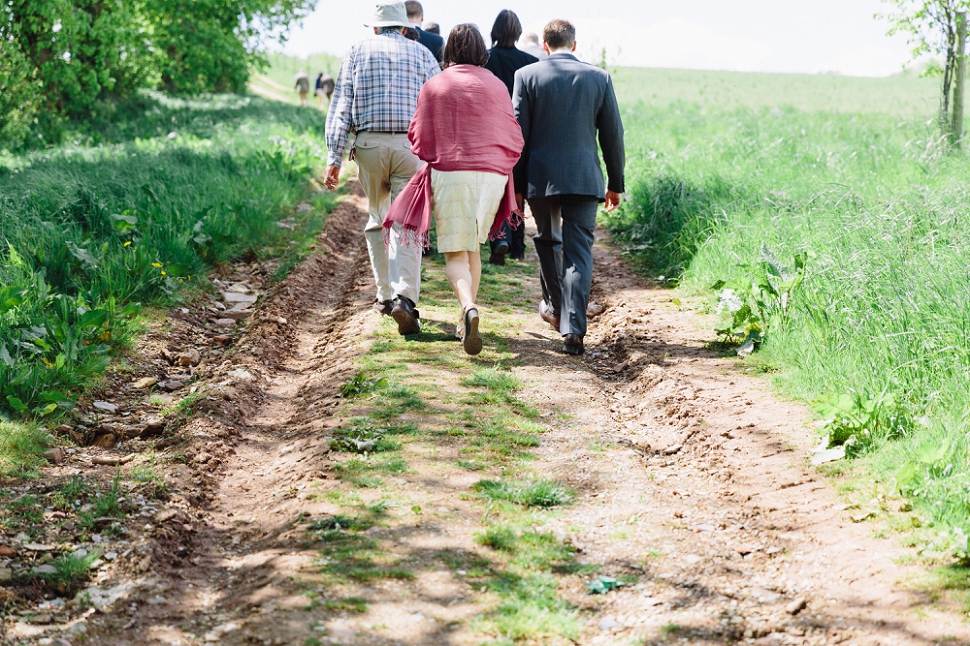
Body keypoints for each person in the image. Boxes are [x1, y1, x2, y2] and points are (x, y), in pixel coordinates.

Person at [383, 24, 523, 356]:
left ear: (448, 51)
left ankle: (469, 307)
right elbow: (514, 133)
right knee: (472, 246)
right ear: (480, 51)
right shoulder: (497, 86)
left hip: (452, 173)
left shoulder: (436, 85)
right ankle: (465, 321)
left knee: (455, 253)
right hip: (493, 176)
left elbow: (416, 136)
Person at [324, 3, 441, 335]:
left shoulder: (357, 52)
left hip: (370, 145)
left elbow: (342, 105)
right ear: (404, 27)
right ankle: (405, 299)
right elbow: (435, 106)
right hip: (409, 146)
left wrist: (334, 157)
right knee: (408, 223)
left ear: (374, 27)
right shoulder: (422, 55)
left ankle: (385, 297)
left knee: (377, 218)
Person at [512, 19, 624, 356]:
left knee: (547, 241)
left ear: (545, 45)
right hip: (584, 178)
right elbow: (613, 135)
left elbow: (519, 136)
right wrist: (615, 183)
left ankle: (558, 310)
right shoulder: (599, 78)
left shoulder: (526, 76)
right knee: (579, 252)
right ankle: (574, 327)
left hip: (540, 178)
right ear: (574, 45)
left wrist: (516, 186)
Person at [483, 9, 538, 266]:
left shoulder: (485, 58)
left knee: (494, 186)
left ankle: (498, 236)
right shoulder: (529, 61)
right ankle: (517, 246)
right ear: (517, 32)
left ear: (494, 31)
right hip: (519, 132)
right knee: (516, 188)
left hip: (490, 131)